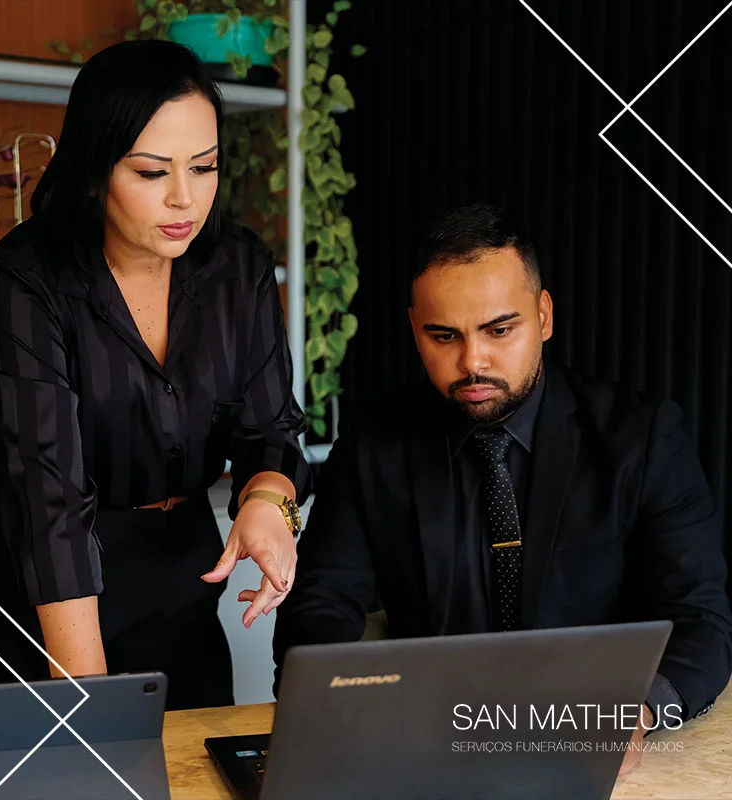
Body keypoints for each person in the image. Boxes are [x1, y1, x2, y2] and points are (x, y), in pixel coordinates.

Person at [273, 204, 732, 773]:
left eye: (499, 330)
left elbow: (701, 620)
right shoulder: (375, 444)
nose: (473, 362)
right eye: (444, 336)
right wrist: (331, 706)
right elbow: (320, 602)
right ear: (414, 329)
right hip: (434, 744)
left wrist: (634, 713)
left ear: (544, 316)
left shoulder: (642, 437)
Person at [0, 40, 311, 710]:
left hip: (175, 568)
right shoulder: (25, 281)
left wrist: (267, 502)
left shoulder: (238, 268)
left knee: (194, 752)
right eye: (150, 172)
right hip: (31, 587)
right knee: (80, 755)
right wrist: (92, 713)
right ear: (93, 171)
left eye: (204, 166)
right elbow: (50, 507)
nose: (184, 197)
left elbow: (271, 432)